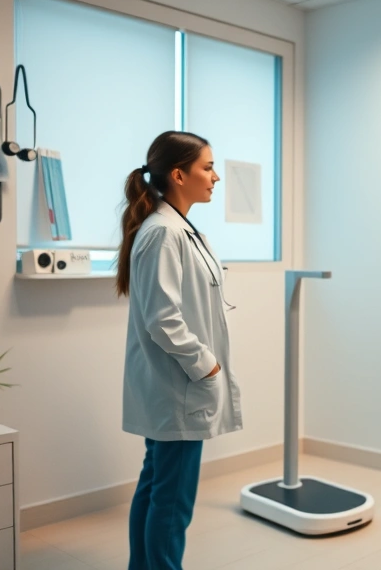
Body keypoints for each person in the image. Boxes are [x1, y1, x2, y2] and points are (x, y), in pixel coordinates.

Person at [116, 131, 242, 570]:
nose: (216, 176)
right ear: (178, 174)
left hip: (174, 388)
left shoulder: (176, 229)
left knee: (155, 487)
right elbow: (163, 320)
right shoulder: (164, 233)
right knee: (171, 505)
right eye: (207, 167)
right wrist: (205, 366)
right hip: (180, 389)